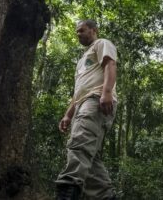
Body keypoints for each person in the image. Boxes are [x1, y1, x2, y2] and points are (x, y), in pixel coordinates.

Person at [55, 20, 118, 200]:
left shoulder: (102, 43)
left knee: (79, 143)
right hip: (83, 103)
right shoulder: (82, 60)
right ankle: (105, 196)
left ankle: (67, 192)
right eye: (77, 31)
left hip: (96, 100)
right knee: (90, 159)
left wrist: (106, 92)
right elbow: (79, 90)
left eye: (82, 30)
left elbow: (110, 65)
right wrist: (68, 115)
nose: (78, 34)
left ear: (93, 30)